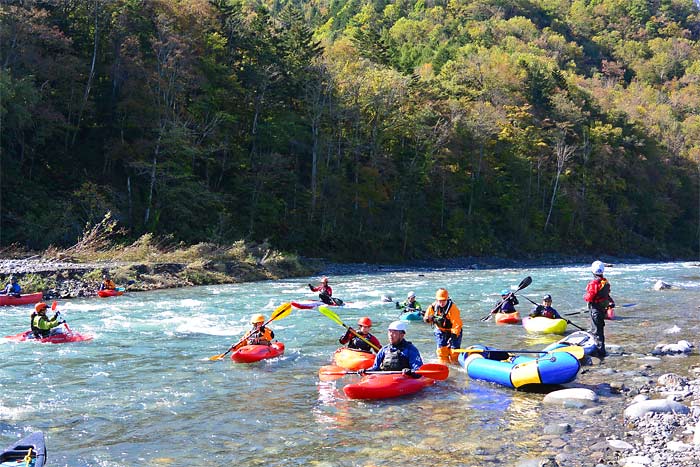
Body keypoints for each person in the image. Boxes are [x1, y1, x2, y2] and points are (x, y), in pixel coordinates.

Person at [584, 260, 615, 358]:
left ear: (593, 271)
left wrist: (585, 296)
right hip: (602, 309)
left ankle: (600, 353)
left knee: (596, 331)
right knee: (599, 330)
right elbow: (607, 295)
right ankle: (601, 350)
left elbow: (589, 297)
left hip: (595, 309)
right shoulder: (605, 282)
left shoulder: (594, 283)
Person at [423, 288, 463, 363]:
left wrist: (453, 336)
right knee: (441, 351)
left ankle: (456, 365)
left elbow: (456, 324)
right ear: (437, 300)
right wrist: (428, 319)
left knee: (454, 352)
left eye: (444, 300)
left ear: (447, 299)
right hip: (440, 331)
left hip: (454, 331)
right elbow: (425, 318)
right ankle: (444, 366)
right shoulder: (432, 307)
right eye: (440, 301)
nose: (441, 303)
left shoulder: (453, 308)